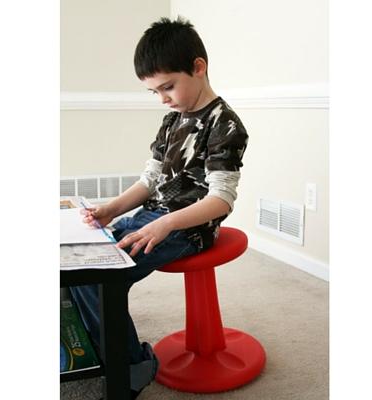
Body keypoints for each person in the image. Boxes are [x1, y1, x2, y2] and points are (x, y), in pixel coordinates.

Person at [70, 16, 248, 399]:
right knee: (79, 264)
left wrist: (165, 224)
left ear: (198, 68)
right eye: (155, 91)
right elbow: (150, 179)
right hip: (150, 218)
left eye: (168, 86)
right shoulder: (171, 121)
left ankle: (132, 366)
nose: (163, 98)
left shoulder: (226, 125)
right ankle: (100, 350)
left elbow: (221, 199)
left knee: (104, 279)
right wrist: (111, 210)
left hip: (187, 229)